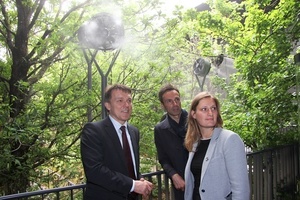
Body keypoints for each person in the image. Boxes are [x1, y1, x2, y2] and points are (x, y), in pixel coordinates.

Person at [80, 84, 153, 200]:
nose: (127, 105)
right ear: (108, 105)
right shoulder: (93, 131)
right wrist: (133, 185)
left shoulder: (134, 132)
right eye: (120, 101)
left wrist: (140, 180)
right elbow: (95, 171)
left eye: (129, 100)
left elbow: (128, 167)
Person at [184, 91, 250, 200]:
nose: (210, 113)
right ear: (193, 114)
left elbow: (240, 189)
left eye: (213, 108)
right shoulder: (194, 142)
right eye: (204, 109)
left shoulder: (229, 139)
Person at [154, 84, 189, 200]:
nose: (175, 104)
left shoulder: (194, 121)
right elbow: (163, 159)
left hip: (202, 179)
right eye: (169, 101)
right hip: (181, 184)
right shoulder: (160, 130)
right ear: (163, 105)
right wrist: (174, 175)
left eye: (177, 99)